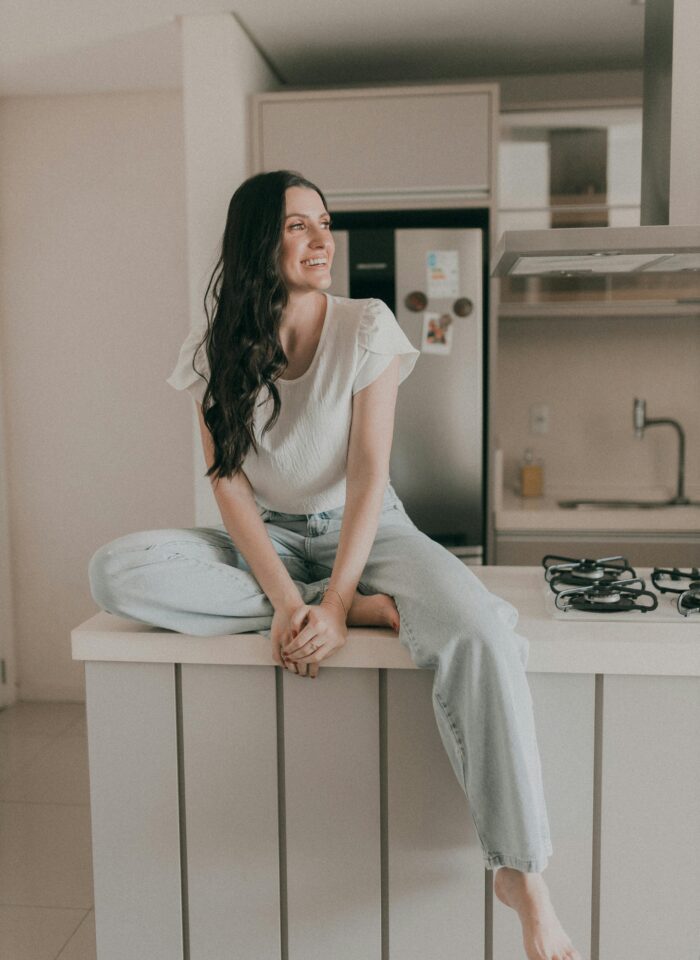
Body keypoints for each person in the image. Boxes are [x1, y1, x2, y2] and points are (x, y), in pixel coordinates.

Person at [88, 170, 583, 960]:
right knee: (115, 573)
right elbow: (228, 484)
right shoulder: (211, 348)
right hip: (269, 542)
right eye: (298, 226)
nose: (322, 240)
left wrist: (340, 589)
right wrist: (292, 604)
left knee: (479, 631)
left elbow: (368, 470)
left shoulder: (367, 326)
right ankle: (344, 608)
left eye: (325, 223)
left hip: (368, 529)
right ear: (260, 240)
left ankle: (520, 872)